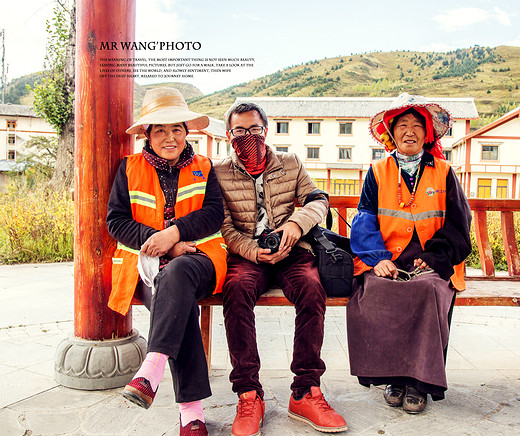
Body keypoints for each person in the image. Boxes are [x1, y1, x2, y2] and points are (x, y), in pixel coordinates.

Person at [214, 102, 348, 435]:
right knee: (236, 290)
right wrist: (252, 251)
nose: (249, 137)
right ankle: (248, 393)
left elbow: (318, 200)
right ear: (229, 135)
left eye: (255, 129)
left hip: (292, 249)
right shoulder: (219, 173)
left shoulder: (289, 163)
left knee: (311, 289)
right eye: (240, 131)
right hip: (247, 253)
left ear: (266, 130)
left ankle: (305, 390)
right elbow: (225, 226)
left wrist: (295, 226)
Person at [106, 88, 227, 435]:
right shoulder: (129, 169)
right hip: (146, 267)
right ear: (147, 134)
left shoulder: (204, 166)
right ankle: (191, 411)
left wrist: (174, 235)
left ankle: (152, 369)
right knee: (178, 303)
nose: (170, 137)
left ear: (187, 131)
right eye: (160, 129)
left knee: (179, 276)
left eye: (176, 129)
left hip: (200, 258)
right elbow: (117, 222)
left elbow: (213, 214)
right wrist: (160, 245)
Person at [347, 93, 472, 414]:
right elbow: (363, 221)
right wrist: (378, 260)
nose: (410, 131)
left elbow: (460, 223)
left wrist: (435, 257)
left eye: (417, 125)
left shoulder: (444, 172)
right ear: (391, 133)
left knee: (428, 289)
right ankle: (395, 378)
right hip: (389, 258)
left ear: (427, 133)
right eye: (402, 125)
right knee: (374, 290)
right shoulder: (377, 171)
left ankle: (420, 383)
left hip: (434, 261)